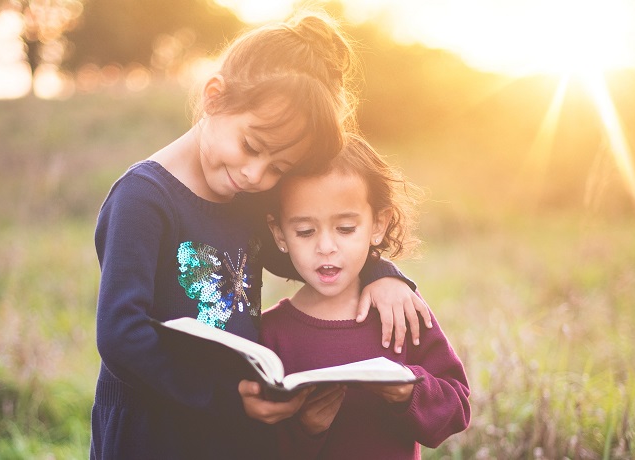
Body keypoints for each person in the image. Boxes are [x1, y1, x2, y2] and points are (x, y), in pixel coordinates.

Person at [89, 11, 432, 460]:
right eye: (252, 146)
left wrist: (380, 273)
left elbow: (309, 258)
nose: (255, 174)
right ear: (215, 97)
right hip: (153, 427)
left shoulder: (245, 199)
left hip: (233, 426)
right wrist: (227, 397)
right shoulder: (143, 199)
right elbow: (120, 334)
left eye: (279, 168)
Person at [261, 134, 471, 459]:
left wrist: (408, 391)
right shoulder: (271, 334)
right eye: (305, 231)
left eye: (345, 229)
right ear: (279, 234)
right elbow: (253, 441)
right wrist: (305, 428)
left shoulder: (398, 310)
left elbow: (456, 409)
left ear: (378, 225)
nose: (326, 246)